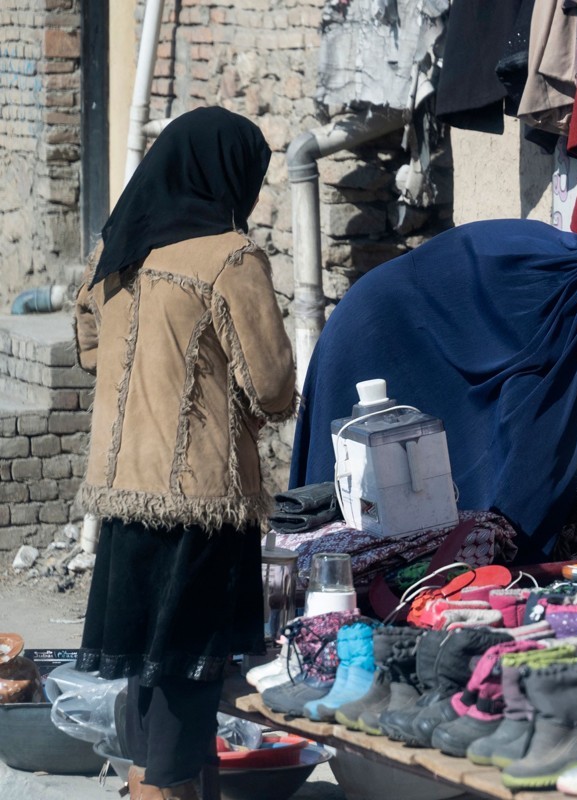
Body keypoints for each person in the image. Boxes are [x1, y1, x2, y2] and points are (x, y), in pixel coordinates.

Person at [74, 107, 296, 800]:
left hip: (121, 490)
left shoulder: (118, 251)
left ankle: (152, 782)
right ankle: (158, 791)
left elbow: (88, 350)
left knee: (152, 664)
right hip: (201, 498)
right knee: (191, 669)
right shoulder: (230, 257)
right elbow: (274, 387)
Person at [290, 219, 577, 561]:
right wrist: (519, 556)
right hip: (378, 336)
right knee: (358, 483)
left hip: (380, 307)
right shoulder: (572, 328)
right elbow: (536, 464)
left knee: (405, 481)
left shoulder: (573, 263)